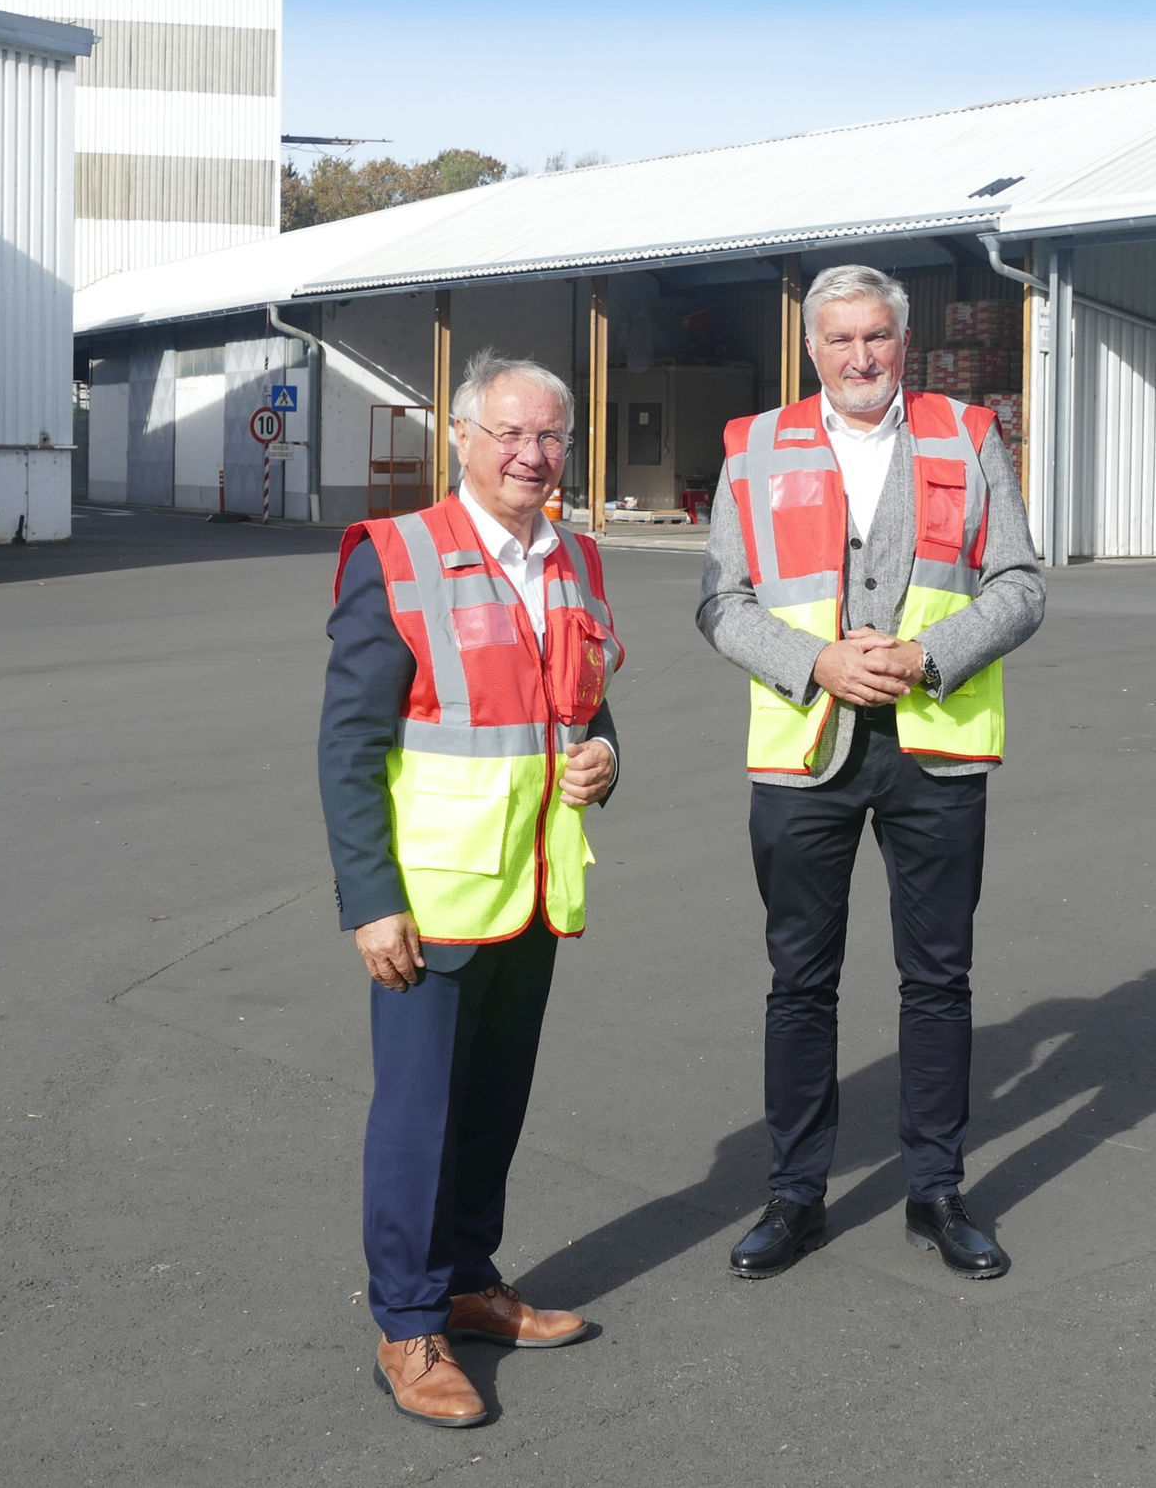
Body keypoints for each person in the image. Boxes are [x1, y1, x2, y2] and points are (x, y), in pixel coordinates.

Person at [697, 265, 1044, 1281]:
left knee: (937, 979)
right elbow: (724, 602)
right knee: (800, 982)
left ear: (905, 341)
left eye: (878, 338)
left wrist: (933, 655)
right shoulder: (752, 447)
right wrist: (817, 662)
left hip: (935, 741)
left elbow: (1020, 582)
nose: (860, 357)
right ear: (812, 350)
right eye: (840, 340)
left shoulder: (967, 435)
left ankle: (936, 1188)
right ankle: (795, 1196)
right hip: (806, 751)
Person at [320, 350, 623, 1428]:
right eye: (510, 434)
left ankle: (465, 1278)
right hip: (432, 901)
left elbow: (582, 706)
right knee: (417, 1118)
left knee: (493, 1107)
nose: (532, 455)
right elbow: (349, 743)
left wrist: (603, 757)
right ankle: (407, 1326)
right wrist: (369, 898)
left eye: (550, 437)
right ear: (462, 437)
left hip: (535, 887)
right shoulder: (398, 556)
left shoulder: (578, 560)